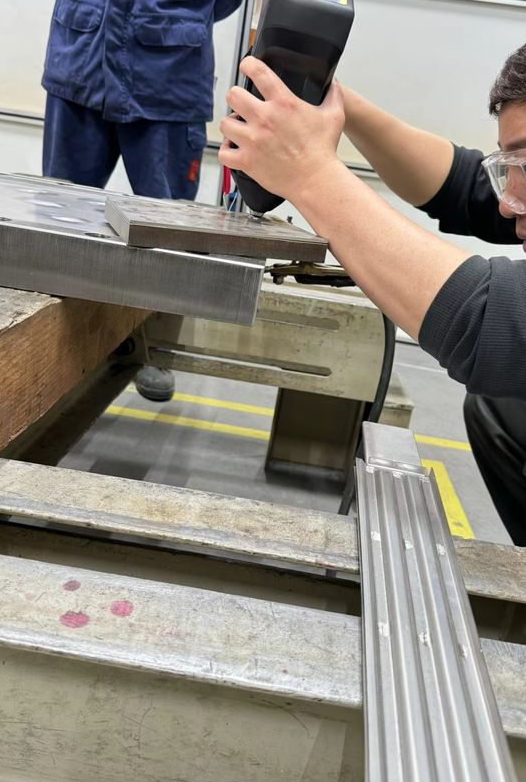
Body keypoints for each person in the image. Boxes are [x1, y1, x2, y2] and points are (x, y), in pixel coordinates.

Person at [219, 44, 526, 546]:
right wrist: (332, 100)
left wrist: (308, 171)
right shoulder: (506, 196)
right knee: (502, 409)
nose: (509, 203)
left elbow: (490, 324)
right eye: (510, 164)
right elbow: (460, 186)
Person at [39, 0, 258, 400]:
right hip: (80, 62)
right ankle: (50, 351)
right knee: (58, 228)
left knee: (169, 233)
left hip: (168, 77)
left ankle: (152, 346)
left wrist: (163, 18)